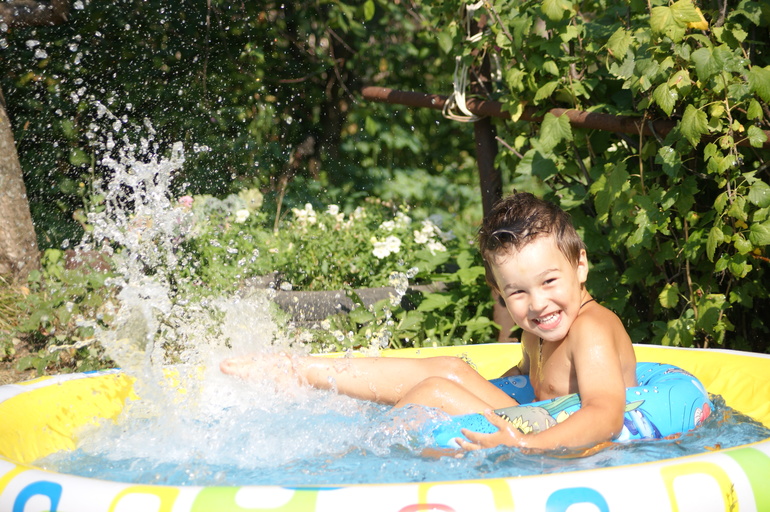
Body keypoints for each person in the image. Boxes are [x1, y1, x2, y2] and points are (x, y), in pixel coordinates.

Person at [220, 192, 637, 452]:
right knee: (450, 371)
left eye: (549, 282)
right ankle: (300, 369)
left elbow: (605, 415)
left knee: (438, 391)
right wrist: (472, 386)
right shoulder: (539, 330)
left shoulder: (591, 329)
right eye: (518, 293)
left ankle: (362, 456)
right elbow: (524, 380)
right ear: (499, 291)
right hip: (537, 417)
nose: (538, 303)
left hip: (568, 446)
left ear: (580, 265)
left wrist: (527, 445)